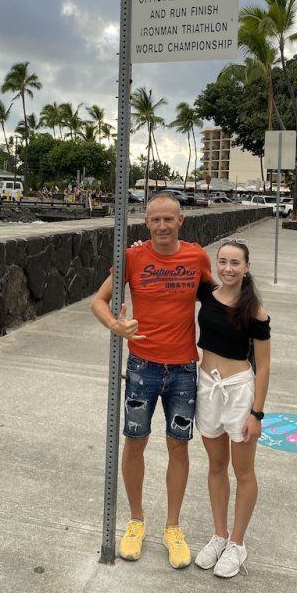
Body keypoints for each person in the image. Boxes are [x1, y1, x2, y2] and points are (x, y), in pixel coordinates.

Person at [90, 193, 213, 569]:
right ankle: (136, 521)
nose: (162, 226)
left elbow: (220, 299)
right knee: (135, 442)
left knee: (179, 446)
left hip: (183, 370)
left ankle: (172, 527)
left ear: (181, 221)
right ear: (146, 223)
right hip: (142, 368)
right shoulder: (131, 258)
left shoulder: (197, 257)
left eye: (168, 219)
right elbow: (98, 301)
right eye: (155, 220)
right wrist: (116, 325)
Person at [194, 239, 271, 578]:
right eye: (222, 261)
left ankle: (237, 543)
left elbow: (264, 367)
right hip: (207, 387)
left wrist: (256, 413)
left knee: (243, 471)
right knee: (216, 465)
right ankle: (219, 535)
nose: (227, 268)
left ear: (247, 267)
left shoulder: (255, 310)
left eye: (235, 262)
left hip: (239, 391)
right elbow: (172, 265)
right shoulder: (207, 294)